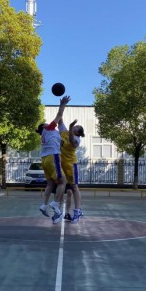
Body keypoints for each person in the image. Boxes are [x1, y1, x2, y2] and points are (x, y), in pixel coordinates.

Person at [36, 96, 70, 224]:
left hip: (45, 159)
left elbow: (60, 121)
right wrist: (62, 104)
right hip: (52, 157)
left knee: (50, 184)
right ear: (44, 127)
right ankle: (55, 203)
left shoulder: (49, 134)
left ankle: (44, 205)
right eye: (45, 123)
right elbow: (59, 115)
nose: (48, 122)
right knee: (63, 181)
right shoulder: (48, 128)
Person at [59, 118, 85, 223]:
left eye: (77, 127)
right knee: (64, 189)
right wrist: (61, 108)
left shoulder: (77, 139)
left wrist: (70, 126)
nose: (75, 126)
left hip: (70, 165)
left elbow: (71, 140)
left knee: (74, 187)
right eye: (75, 125)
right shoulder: (64, 132)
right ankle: (65, 213)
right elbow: (60, 120)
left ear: (78, 133)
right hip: (61, 164)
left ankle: (77, 211)